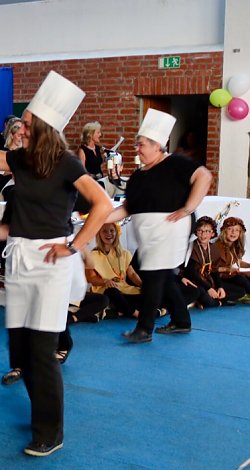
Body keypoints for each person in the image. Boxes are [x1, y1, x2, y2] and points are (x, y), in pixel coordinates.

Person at [0, 70, 112, 457]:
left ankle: (51, 430)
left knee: (42, 351)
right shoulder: (19, 160)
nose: (19, 127)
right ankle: (40, 413)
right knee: (21, 349)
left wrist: (74, 245)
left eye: (27, 123)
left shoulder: (66, 163)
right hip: (19, 258)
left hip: (50, 261)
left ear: (45, 128)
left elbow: (102, 204)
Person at [105, 109, 212, 343]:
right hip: (149, 233)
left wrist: (188, 208)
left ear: (157, 146)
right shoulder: (139, 176)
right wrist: (101, 218)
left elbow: (204, 176)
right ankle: (182, 321)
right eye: (137, 144)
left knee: (154, 276)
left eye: (142, 144)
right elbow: (128, 207)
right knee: (162, 277)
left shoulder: (176, 164)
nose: (137, 149)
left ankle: (144, 329)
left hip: (170, 228)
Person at [86, 222, 143, 318]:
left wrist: (143, 285)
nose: (109, 234)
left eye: (112, 230)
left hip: (123, 288)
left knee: (146, 294)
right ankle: (135, 313)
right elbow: (90, 278)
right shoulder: (92, 255)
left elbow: (132, 274)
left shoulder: (125, 253)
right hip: (105, 290)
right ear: (99, 234)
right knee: (112, 292)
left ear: (116, 233)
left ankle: (121, 310)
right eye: (104, 231)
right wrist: (105, 281)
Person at [181, 216, 229, 308]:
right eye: (200, 231)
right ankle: (217, 303)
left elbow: (214, 271)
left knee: (239, 291)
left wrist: (220, 287)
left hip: (208, 280)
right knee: (204, 296)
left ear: (212, 233)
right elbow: (190, 273)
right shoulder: (192, 247)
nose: (203, 234)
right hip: (195, 281)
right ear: (196, 232)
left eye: (207, 231)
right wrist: (208, 288)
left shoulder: (213, 248)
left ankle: (203, 300)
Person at [214, 217, 250, 301]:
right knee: (241, 279)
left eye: (237, 230)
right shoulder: (218, 246)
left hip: (228, 274)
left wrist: (249, 265)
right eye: (230, 229)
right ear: (224, 231)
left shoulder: (234, 245)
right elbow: (214, 269)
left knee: (245, 280)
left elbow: (237, 261)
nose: (233, 232)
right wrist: (243, 273)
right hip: (218, 278)